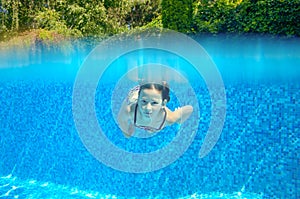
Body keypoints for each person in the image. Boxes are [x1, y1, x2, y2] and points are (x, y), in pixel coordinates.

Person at [117, 81, 193, 138]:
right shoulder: (130, 111)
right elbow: (121, 119)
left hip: (147, 100)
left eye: (154, 103)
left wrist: (179, 119)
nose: (147, 108)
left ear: (163, 104)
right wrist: (127, 133)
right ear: (138, 100)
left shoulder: (169, 118)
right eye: (143, 102)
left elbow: (190, 109)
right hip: (135, 96)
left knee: (152, 130)